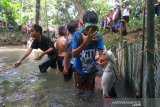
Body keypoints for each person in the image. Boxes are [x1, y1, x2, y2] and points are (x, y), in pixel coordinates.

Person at [72, 11, 105, 91]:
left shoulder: (98, 36)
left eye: (94, 28)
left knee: (93, 90)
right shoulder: (78, 35)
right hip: (79, 71)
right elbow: (73, 54)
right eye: (88, 28)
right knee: (80, 93)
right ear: (83, 24)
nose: (91, 30)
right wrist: (85, 43)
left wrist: (102, 60)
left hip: (92, 70)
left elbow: (101, 54)